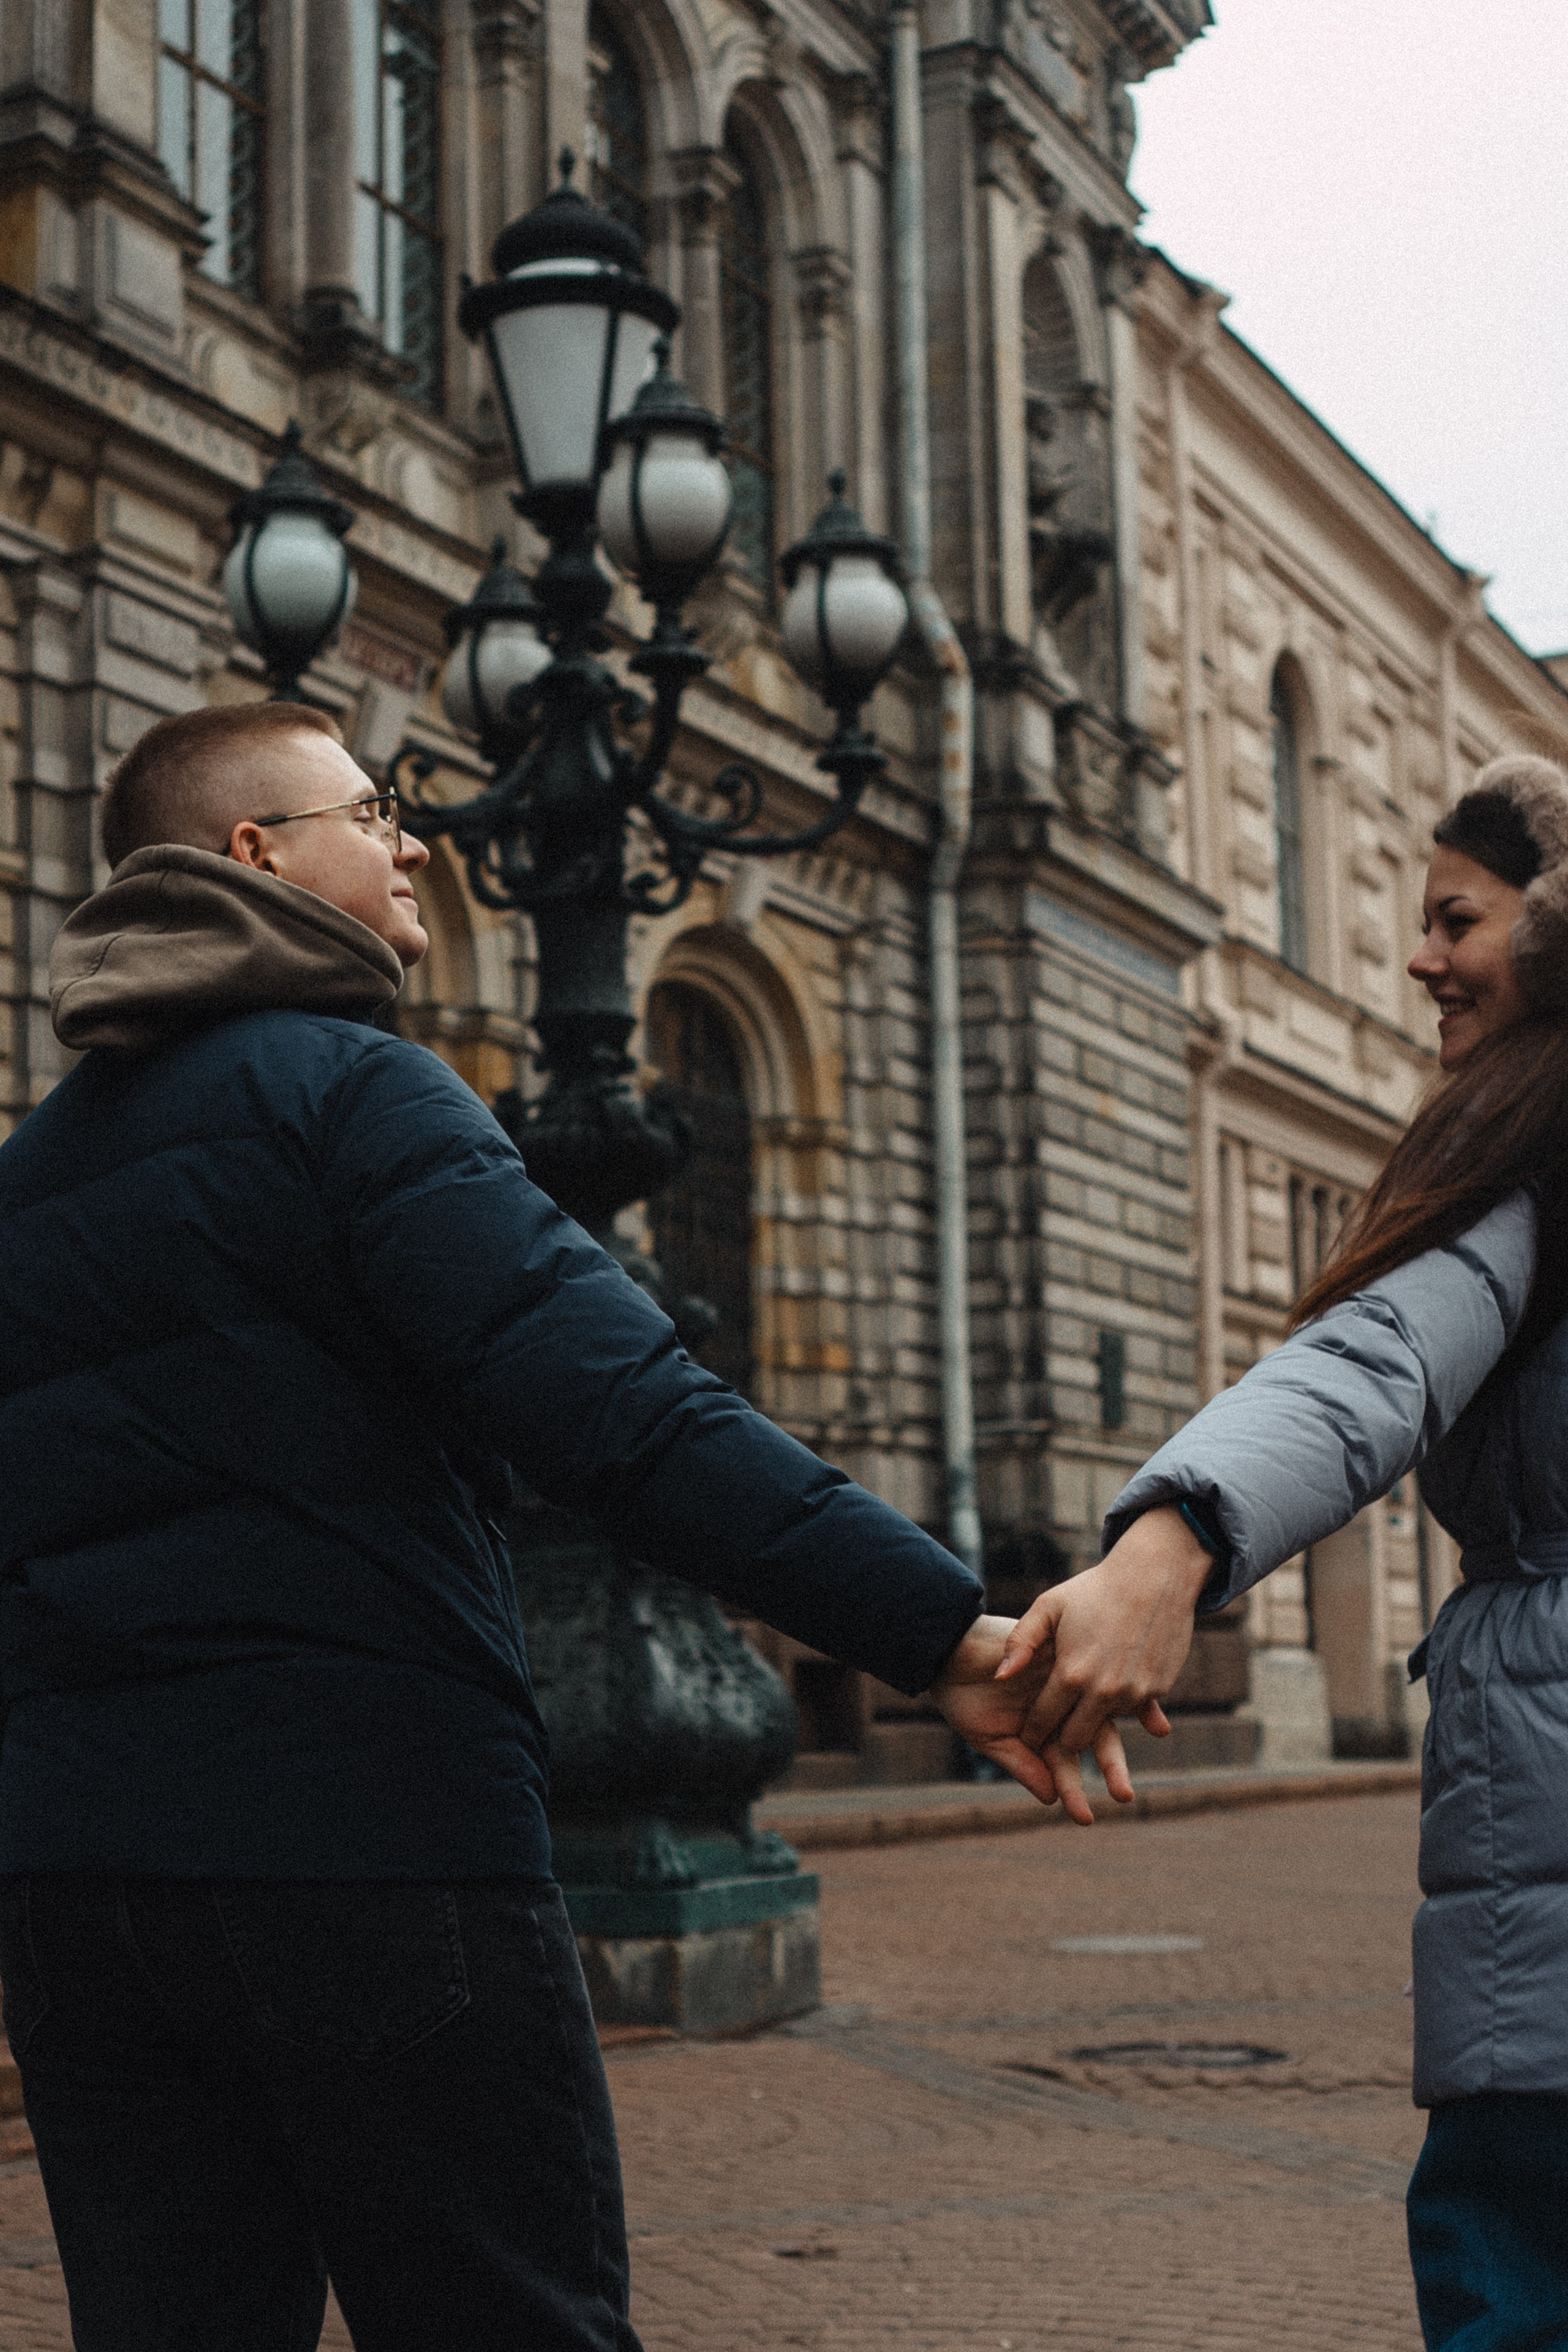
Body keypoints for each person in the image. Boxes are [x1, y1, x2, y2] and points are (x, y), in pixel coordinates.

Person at [0, 700, 1135, 2352]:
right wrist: (932, 1629)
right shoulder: (359, 1096)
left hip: (78, 1884)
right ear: (257, 856)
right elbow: (628, 1413)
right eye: (371, 811)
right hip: (370, 1849)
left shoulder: (28, 1178)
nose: (408, 841)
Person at [997, 750, 1568, 2348]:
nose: (1421, 958)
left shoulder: (1531, 1165)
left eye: (1459, 918)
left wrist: (1166, 1549)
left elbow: (1368, 1362)